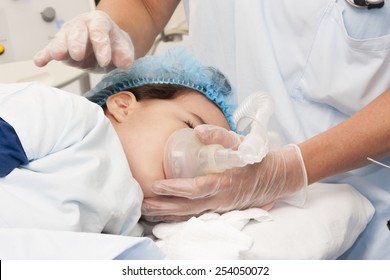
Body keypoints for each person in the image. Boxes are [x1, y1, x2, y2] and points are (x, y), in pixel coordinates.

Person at [33, 0, 390, 259]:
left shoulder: (182, 241)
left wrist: (292, 170)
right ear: (123, 105)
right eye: (190, 126)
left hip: (360, 193)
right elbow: (146, 5)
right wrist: (112, 27)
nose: (197, 151)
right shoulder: (59, 123)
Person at [0, 47, 235, 236]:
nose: (198, 156)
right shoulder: (75, 120)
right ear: (123, 106)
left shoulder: (133, 226)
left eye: (206, 169)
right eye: (191, 126)